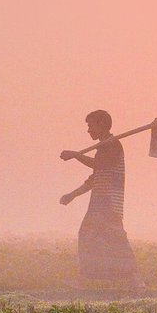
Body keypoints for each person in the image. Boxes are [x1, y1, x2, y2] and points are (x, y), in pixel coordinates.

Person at [60, 110, 140, 282]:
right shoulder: (104, 146)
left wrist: (76, 155)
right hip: (100, 201)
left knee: (101, 236)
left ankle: (124, 278)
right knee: (104, 238)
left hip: (108, 201)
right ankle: (108, 278)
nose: (89, 130)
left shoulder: (111, 145)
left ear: (102, 124)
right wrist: (72, 195)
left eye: (91, 125)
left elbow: (100, 165)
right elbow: (95, 178)